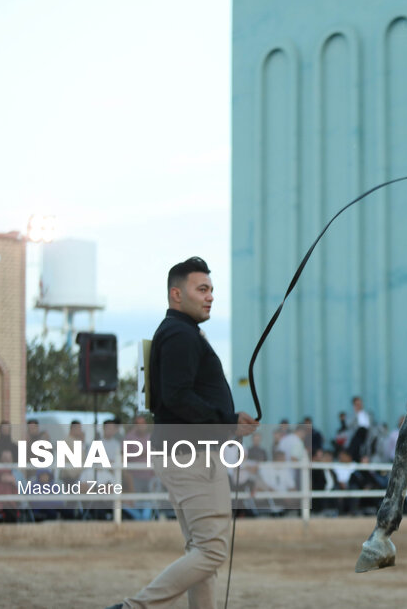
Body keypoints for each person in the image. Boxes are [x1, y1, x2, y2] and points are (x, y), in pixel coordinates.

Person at [109, 256, 258, 609]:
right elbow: (176, 396)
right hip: (191, 457)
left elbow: (175, 396)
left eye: (211, 290)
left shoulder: (179, 332)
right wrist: (227, 421)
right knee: (211, 550)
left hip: (186, 453)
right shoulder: (179, 333)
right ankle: (134, 607)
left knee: (201, 549)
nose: (209, 297)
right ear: (177, 294)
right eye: (201, 289)